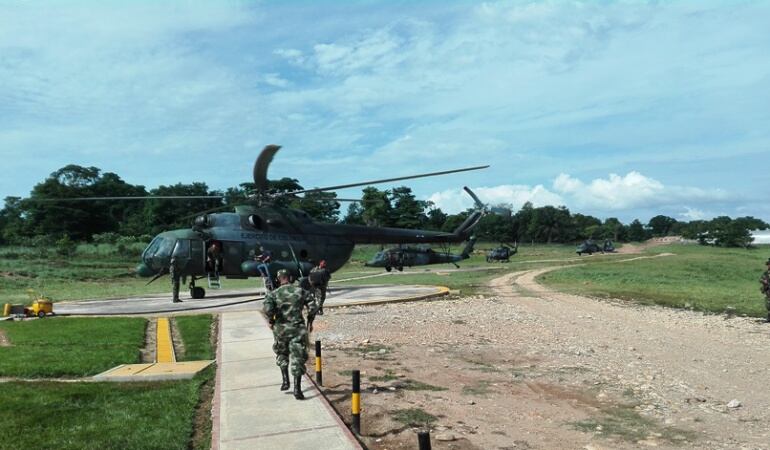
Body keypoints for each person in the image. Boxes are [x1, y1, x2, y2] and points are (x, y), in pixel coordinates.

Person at [263, 269, 318, 400]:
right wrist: (310, 321)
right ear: (290, 278)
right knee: (297, 356)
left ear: (278, 279)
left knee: (282, 353)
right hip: (298, 328)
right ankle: (297, 389)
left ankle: (285, 381)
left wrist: (272, 320)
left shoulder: (273, 293)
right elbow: (313, 306)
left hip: (280, 329)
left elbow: (268, 309)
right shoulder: (300, 291)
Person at [761, 258, 770, 322]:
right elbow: (761, 279)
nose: (768, 266)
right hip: (768, 290)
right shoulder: (766, 272)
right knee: (768, 304)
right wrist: (764, 281)